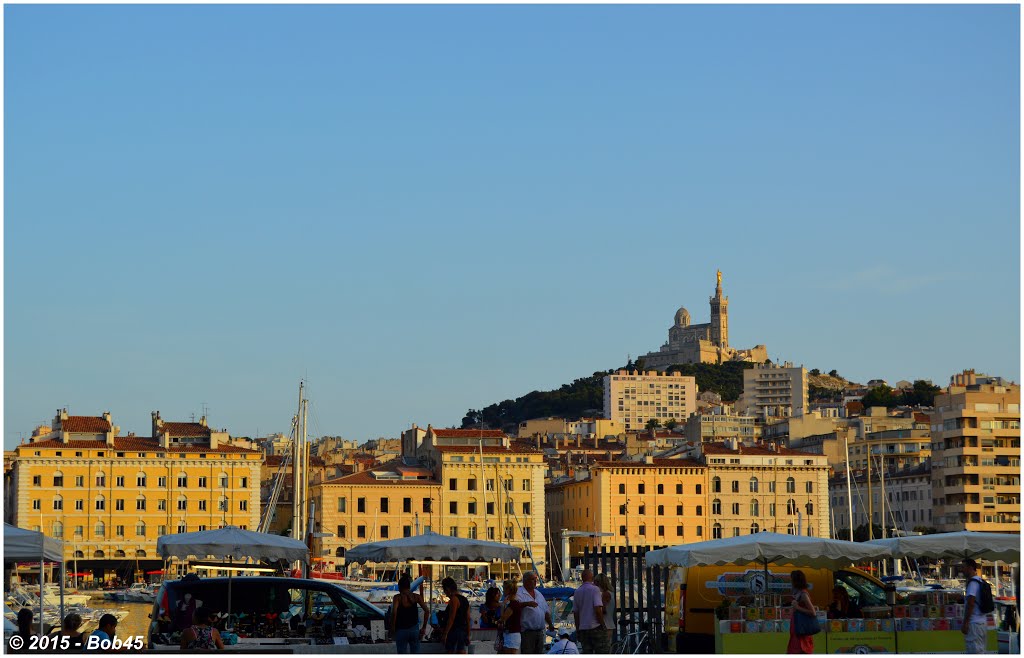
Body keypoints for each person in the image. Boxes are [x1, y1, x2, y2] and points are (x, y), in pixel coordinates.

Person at [517, 572, 555, 654]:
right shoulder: (519, 593)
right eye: (532, 579)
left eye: (536, 579)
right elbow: (514, 606)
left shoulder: (538, 594)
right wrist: (527, 603)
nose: (535, 581)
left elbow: (545, 611)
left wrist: (550, 624)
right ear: (525, 581)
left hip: (540, 632)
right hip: (527, 632)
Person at [391, 574, 430, 654]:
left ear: (400, 586)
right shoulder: (417, 597)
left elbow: (394, 613)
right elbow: (427, 611)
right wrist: (424, 627)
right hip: (414, 629)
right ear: (409, 586)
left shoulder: (397, 598)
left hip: (401, 629)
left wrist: (392, 628)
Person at [572, 570, 608, 654]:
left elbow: (576, 613)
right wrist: (603, 625)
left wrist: (578, 629)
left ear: (582, 578)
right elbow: (597, 610)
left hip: (583, 629)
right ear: (591, 578)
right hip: (595, 627)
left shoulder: (577, 592)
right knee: (602, 652)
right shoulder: (595, 589)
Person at [500, 578, 537, 654]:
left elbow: (503, 618)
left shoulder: (513, 604)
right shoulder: (514, 603)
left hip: (511, 635)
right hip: (511, 635)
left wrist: (503, 605)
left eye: (504, 588)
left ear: (508, 590)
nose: (503, 590)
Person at [961, 559, 989, 654]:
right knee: (981, 651)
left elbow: (971, 603)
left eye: (963, 567)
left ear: (970, 568)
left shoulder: (973, 583)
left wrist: (965, 623)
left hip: (974, 624)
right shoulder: (980, 581)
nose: (962, 570)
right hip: (982, 622)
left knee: (974, 651)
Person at [787, 571, 816, 654]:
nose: (790, 582)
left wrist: (797, 607)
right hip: (797, 631)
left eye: (791, 580)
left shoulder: (804, 594)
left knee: (800, 651)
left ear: (795, 581)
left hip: (801, 632)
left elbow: (813, 612)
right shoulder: (798, 593)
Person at [440, 577, 471, 654]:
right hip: (462, 631)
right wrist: (468, 634)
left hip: (453, 631)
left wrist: (445, 633)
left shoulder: (454, 600)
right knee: (461, 651)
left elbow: (451, 618)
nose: (445, 593)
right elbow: (468, 618)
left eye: (445, 591)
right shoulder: (464, 600)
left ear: (447, 589)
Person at [594, 574, 615, 647]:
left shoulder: (605, 594)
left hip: (605, 625)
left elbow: (603, 610)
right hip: (609, 624)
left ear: (599, 582)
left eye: (595, 581)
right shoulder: (610, 592)